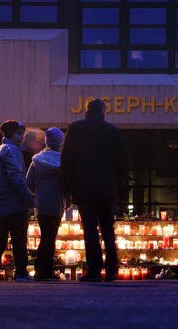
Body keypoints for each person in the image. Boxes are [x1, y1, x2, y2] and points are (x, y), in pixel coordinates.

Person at [61, 99, 130, 282]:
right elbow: (124, 163)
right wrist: (116, 184)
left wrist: (69, 187)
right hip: (106, 188)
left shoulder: (75, 129)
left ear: (86, 111)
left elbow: (67, 160)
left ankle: (94, 270)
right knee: (108, 228)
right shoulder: (113, 131)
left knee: (90, 229)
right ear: (103, 111)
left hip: (84, 187)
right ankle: (112, 269)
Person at [0, 120, 36, 282]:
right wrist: (29, 198)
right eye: (19, 133)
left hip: (0, 204)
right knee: (19, 239)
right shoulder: (13, 151)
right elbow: (16, 177)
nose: (21, 137)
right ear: (10, 134)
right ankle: (21, 272)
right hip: (13, 203)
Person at [26, 127, 68, 281]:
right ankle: (46, 271)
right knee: (50, 237)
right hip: (56, 202)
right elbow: (67, 184)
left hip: (41, 203)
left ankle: (39, 270)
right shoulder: (64, 161)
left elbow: (29, 182)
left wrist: (36, 195)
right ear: (60, 142)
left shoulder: (37, 159)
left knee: (45, 236)